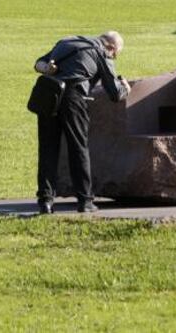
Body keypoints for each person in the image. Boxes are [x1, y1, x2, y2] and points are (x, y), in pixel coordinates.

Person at [33, 31, 131, 214]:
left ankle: (45, 201)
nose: (114, 57)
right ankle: (85, 201)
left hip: (48, 95)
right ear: (111, 47)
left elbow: (38, 64)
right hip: (73, 97)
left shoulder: (66, 41)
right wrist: (126, 87)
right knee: (78, 147)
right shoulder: (101, 52)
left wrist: (48, 68)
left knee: (47, 149)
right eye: (116, 54)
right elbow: (115, 93)